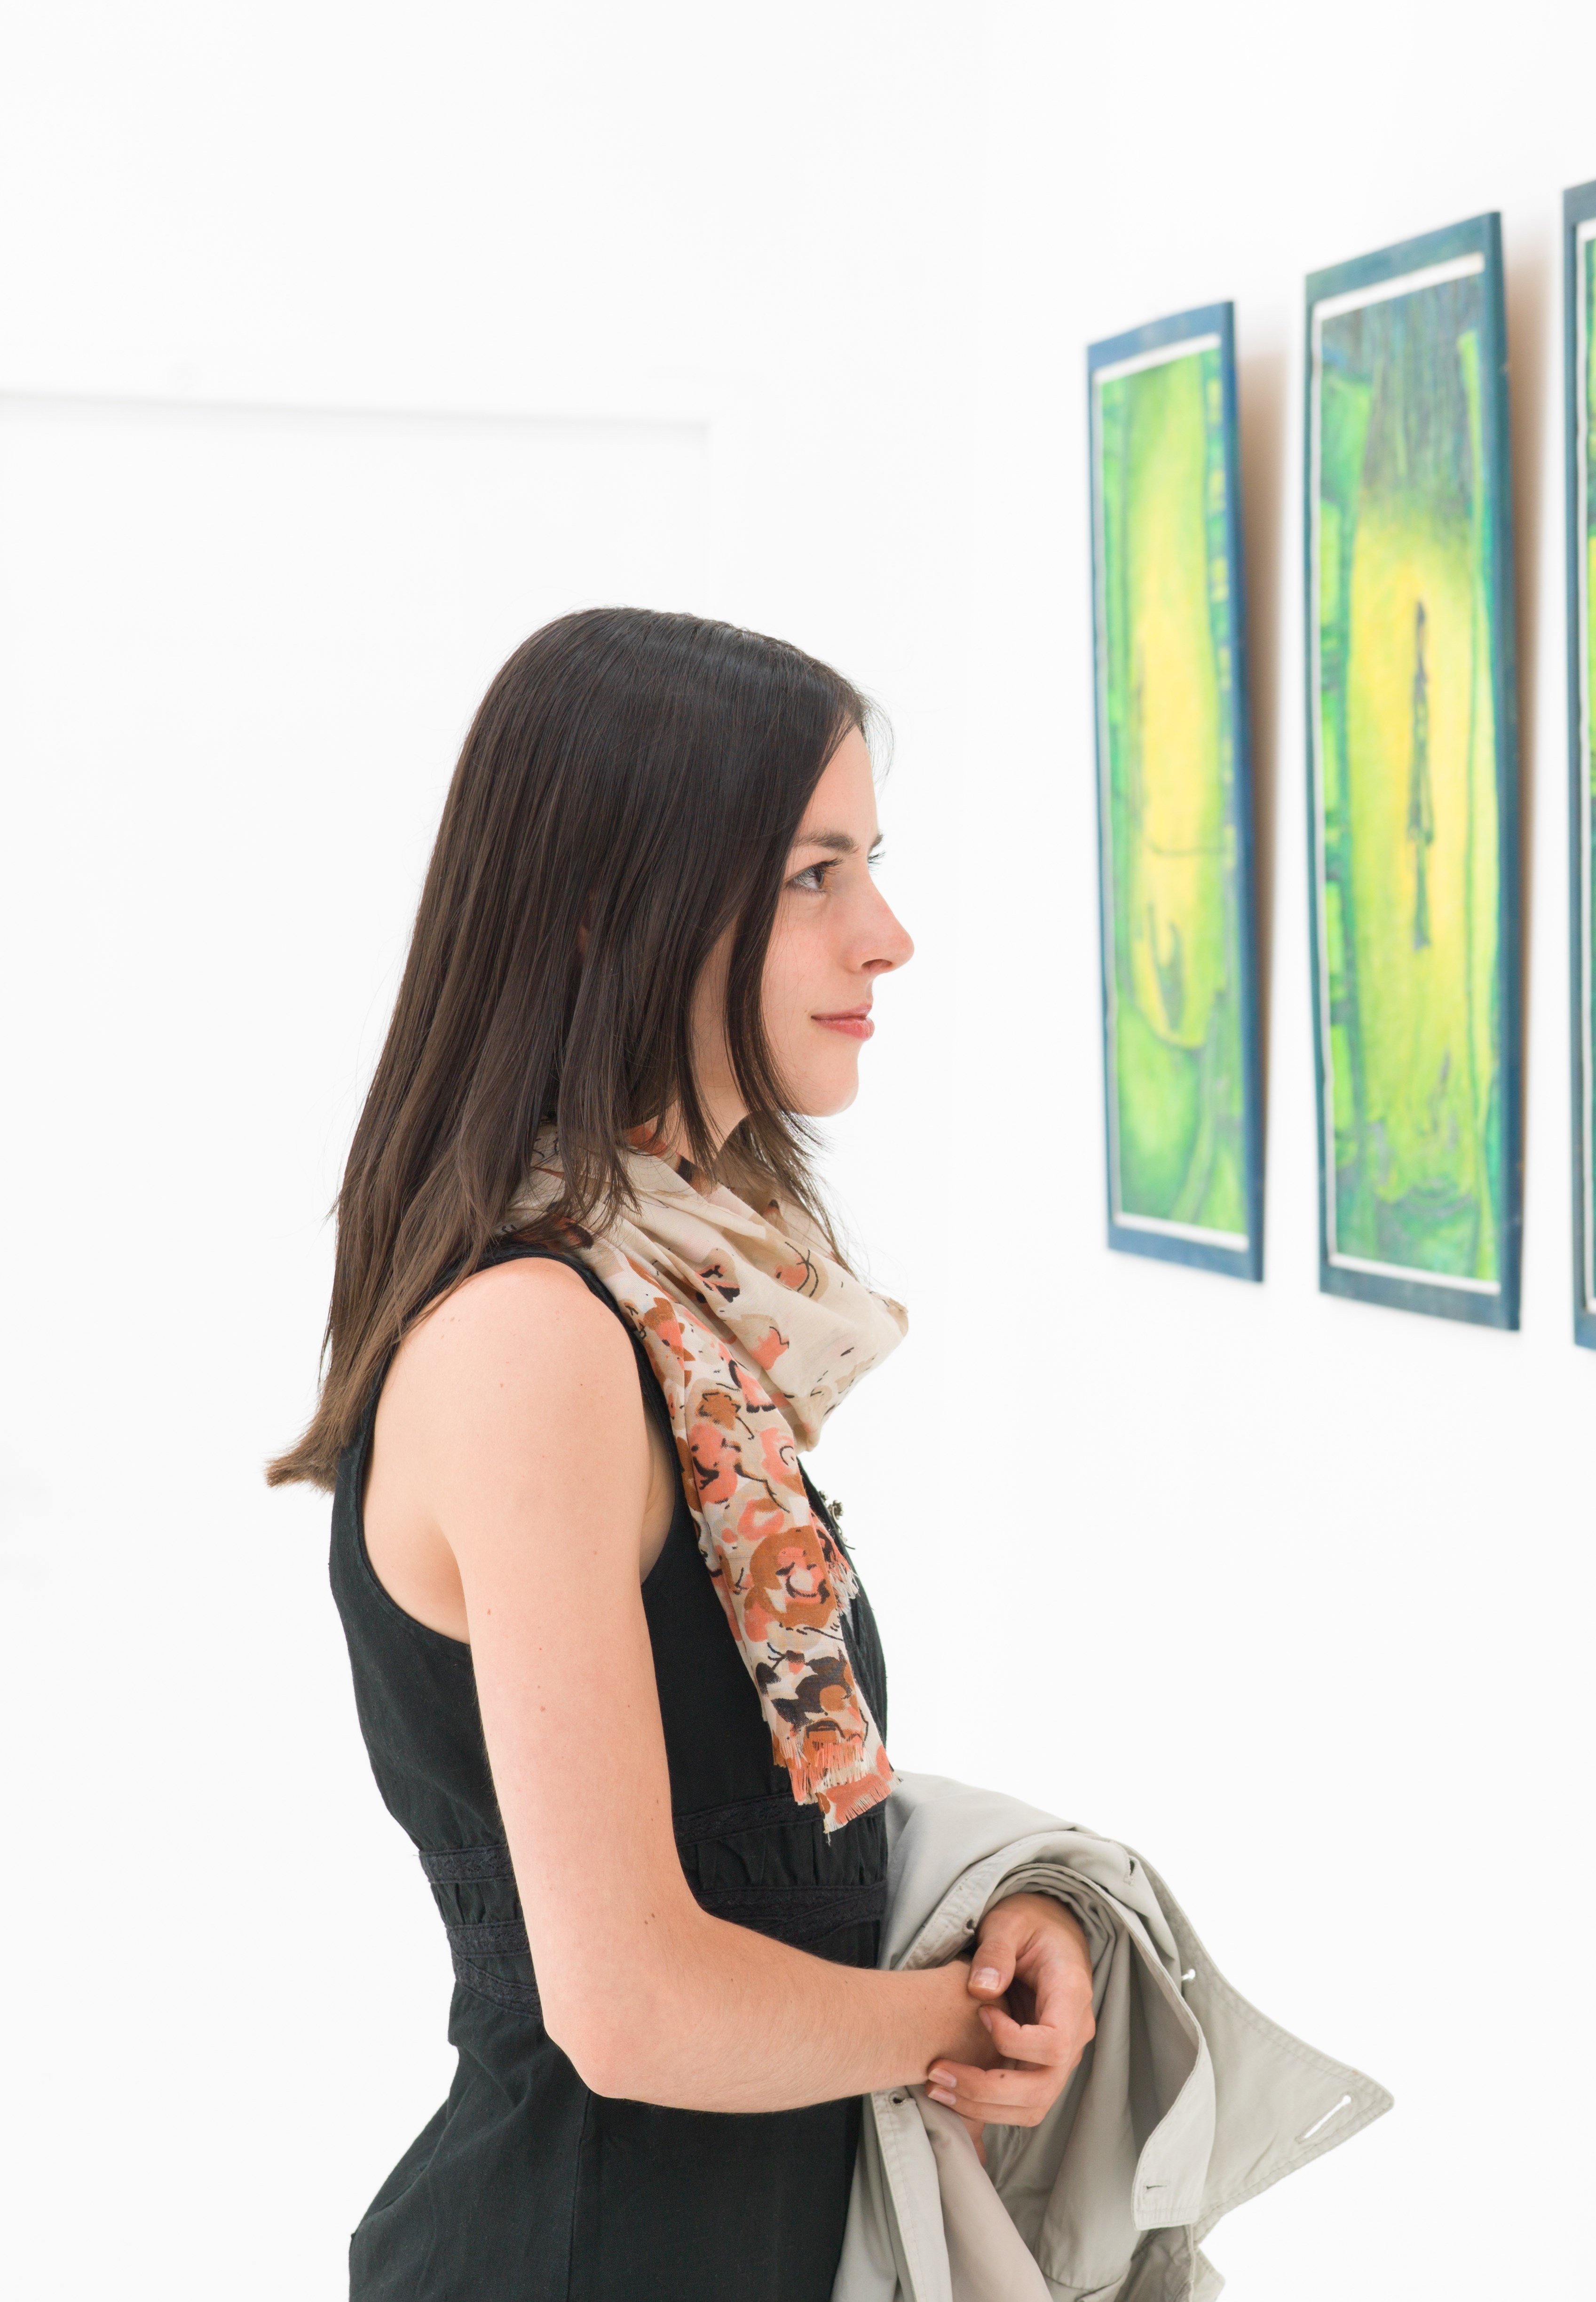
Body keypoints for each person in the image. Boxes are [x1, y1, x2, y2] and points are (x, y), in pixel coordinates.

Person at [269, 608, 1096, 2299]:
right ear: (605, 901)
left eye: (870, 863)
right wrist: (958, 2025)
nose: (888, 936)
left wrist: (1025, 1919)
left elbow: (755, 1844)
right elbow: (632, 2002)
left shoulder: (681, 1312)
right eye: (813, 873)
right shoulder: (539, 1340)